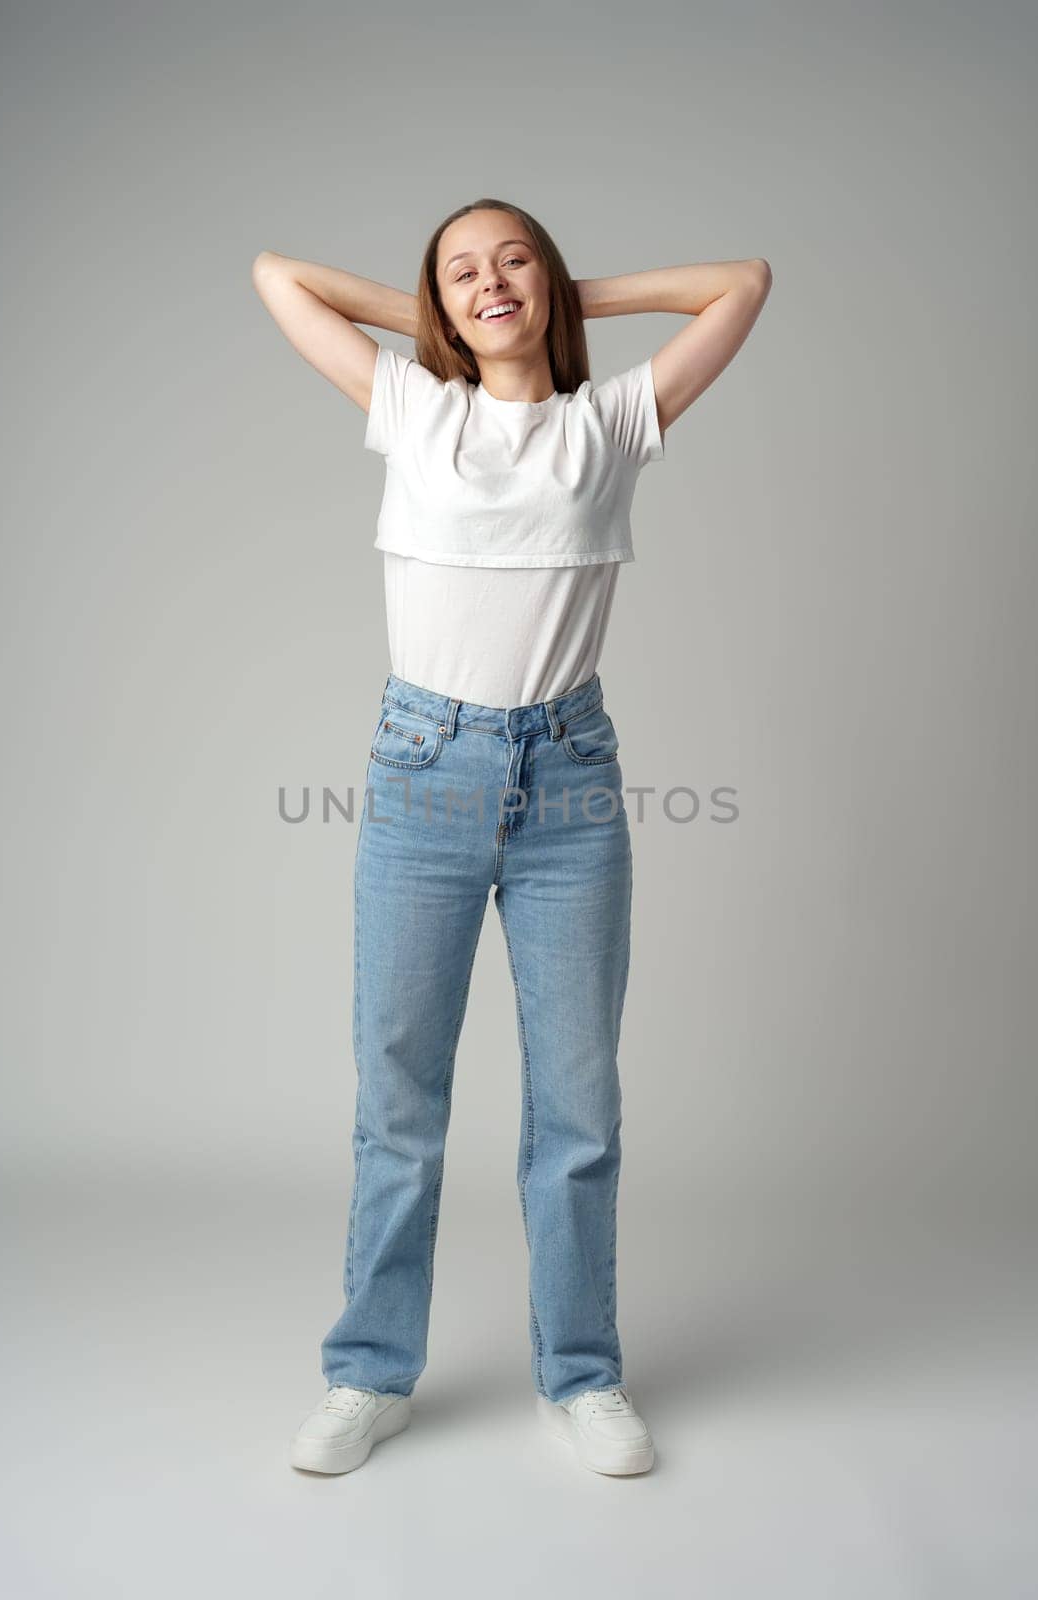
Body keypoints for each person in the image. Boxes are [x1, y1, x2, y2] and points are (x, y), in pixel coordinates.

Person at [252, 200, 772, 1477]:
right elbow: (278, 274)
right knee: (398, 1098)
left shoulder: (611, 423)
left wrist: (563, 293)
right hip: (423, 767)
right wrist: (437, 315)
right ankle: (368, 1372)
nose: (492, 283)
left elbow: (741, 280)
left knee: (577, 1104)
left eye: (514, 259)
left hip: (569, 783)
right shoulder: (413, 410)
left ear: (553, 277)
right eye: (462, 271)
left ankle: (581, 1375)